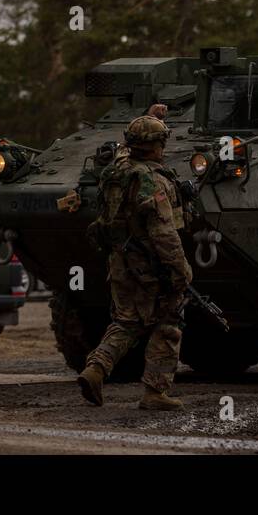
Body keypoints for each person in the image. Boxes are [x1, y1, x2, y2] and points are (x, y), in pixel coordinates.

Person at [77, 114, 193, 411]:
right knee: (169, 320)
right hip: (150, 264)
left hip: (119, 260)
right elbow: (164, 235)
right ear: (157, 145)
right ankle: (155, 391)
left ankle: (96, 368)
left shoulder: (115, 171)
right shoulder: (153, 181)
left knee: (126, 321)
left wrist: (151, 115)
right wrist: (181, 271)